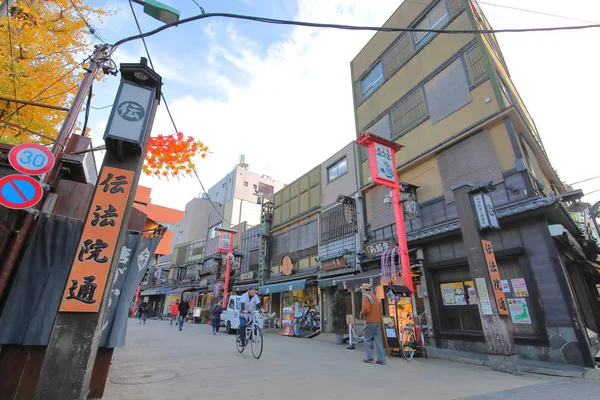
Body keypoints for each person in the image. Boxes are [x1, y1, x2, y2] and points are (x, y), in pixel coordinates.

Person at [359, 283, 385, 365]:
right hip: (378, 321)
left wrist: (361, 314)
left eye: (362, 289)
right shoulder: (375, 297)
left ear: (364, 289)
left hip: (370, 321)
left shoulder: (365, 297)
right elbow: (380, 309)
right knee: (378, 340)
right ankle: (381, 359)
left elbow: (366, 308)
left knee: (367, 339)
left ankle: (370, 357)